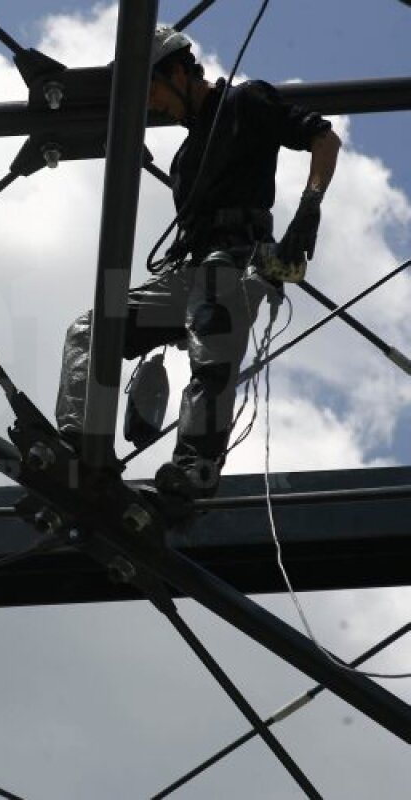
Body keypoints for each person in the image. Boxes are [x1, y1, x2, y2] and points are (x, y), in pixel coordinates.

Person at [55, 24, 341, 503]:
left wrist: (308, 208)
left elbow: (324, 138)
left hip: (235, 262)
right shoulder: (187, 155)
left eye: (150, 89)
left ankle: (196, 467)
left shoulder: (244, 103)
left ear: (176, 72)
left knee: (212, 336)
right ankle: (76, 440)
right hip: (187, 274)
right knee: (92, 328)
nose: (151, 105)